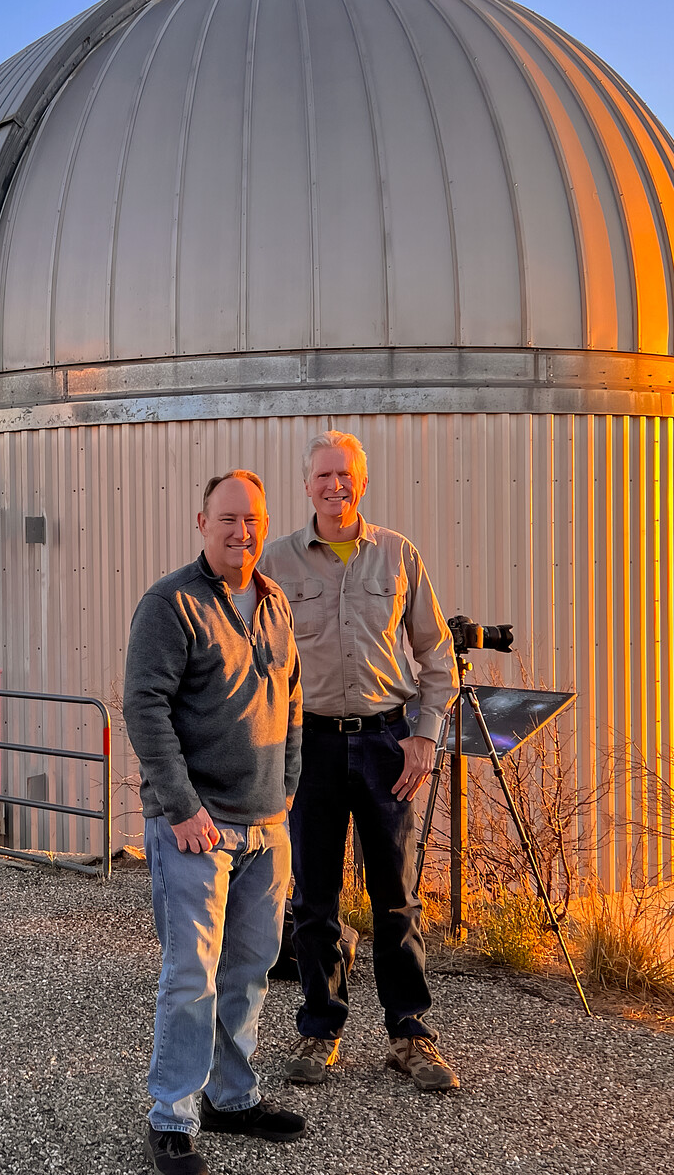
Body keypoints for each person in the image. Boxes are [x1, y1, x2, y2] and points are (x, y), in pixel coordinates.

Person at [257, 431, 461, 1092]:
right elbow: (251, 661)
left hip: (385, 745)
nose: (334, 486)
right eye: (323, 476)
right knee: (314, 902)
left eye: (344, 475)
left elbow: (436, 656)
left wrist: (425, 736)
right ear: (307, 484)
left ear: (361, 482)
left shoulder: (398, 555)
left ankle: (410, 1035)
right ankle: (319, 1029)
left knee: (396, 899)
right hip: (308, 745)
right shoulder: (277, 562)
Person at [123, 470, 308, 1175]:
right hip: (198, 829)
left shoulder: (273, 601)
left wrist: (286, 789)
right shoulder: (171, 604)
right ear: (202, 522)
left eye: (253, 520)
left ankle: (233, 1099)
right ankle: (172, 1116)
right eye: (228, 519)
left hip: (266, 826)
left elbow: (292, 697)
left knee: (250, 971)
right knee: (190, 977)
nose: (242, 532)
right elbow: (145, 707)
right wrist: (183, 809)